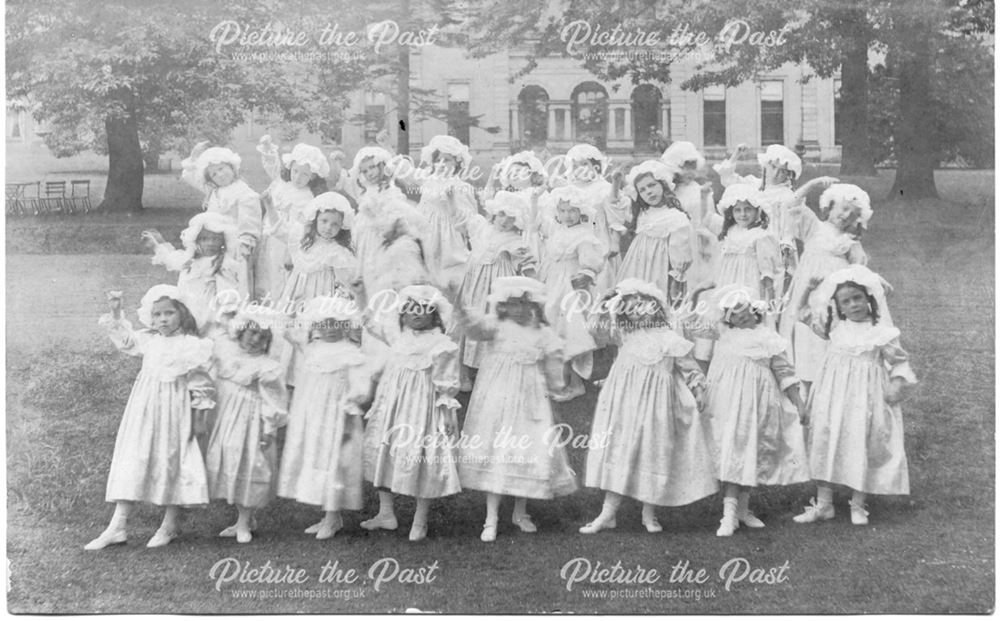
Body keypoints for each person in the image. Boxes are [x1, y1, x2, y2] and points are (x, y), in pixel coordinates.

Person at [580, 279, 717, 534]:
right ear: (624, 315)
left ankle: (649, 512)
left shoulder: (670, 338)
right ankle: (608, 513)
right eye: (631, 310)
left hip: (657, 407)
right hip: (624, 405)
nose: (638, 313)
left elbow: (689, 368)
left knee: (653, 454)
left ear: (657, 308)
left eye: (644, 307)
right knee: (621, 452)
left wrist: (698, 389)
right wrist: (604, 300)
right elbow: (594, 328)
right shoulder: (624, 335)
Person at [85, 286, 215, 550]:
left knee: (173, 458)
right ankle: (117, 525)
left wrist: (201, 417)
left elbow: (202, 382)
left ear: (183, 314)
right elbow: (127, 341)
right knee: (134, 456)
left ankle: (169, 524)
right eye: (157, 315)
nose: (163, 319)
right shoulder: (149, 339)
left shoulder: (193, 346)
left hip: (176, 408)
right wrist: (116, 312)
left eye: (169, 313)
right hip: (145, 407)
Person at [455, 277, 577, 542]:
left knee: (527, 449)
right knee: (497, 449)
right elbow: (474, 329)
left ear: (534, 305)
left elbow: (555, 365)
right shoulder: (495, 326)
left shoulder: (542, 333)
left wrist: (556, 388)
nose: (519, 309)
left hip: (530, 400)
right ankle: (491, 516)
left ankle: (520, 511)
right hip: (497, 399)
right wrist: (463, 310)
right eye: (512, 304)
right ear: (502, 306)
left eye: (524, 303)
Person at [793, 265, 915, 526]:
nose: (854, 305)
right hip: (832, 393)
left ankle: (858, 504)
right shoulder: (835, 327)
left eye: (858, 298)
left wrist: (895, 383)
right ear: (839, 306)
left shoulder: (882, 332)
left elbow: (900, 362)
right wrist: (807, 290)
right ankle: (824, 504)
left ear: (869, 299)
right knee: (826, 438)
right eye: (846, 301)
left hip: (865, 396)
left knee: (861, 440)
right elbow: (802, 314)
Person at [693, 285, 810, 536]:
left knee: (749, 450)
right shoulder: (723, 333)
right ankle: (729, 515)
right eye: (734, 313)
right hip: (725, 401)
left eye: (744, 308)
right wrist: (696, 293)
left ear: (754, 309)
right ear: (726, 318)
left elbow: (785, 373)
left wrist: (799, 403)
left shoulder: (768, 338)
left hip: (757, 402)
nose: (742, 315)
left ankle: (741, 511)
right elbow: (691, 324)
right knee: (732, 448)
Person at [359, 285, 462, 542]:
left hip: (422, 409)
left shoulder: (441, 344)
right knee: (384, 451)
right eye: (410, 309)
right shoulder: (398, 336)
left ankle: (420, 519)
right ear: (401, 314)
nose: (417, 314)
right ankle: (386, 513)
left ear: (435, 315)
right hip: (392, 405)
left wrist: (446, 413)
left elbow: (446, 382)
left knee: (422, 457)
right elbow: (371, 322)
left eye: (424, 310)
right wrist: (359, 292)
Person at [277, 296, 373, 539]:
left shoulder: (351, 353)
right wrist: (295, 307)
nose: (330, 328)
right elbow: (288, 330)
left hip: (338, 417)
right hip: (313, 415)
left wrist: (350, 408)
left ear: (345, 325)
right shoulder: (311, 347)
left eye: (336, 323)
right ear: (315, 325)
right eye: (324, 323)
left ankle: (332, 516)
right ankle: (329, 515)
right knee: (316, 459)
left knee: (335, 462)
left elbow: (361, 388)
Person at [204, 310, 289, 544]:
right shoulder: (227, 356)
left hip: (252, 423)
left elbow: (274, 401)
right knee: (229, 460)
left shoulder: (267, 367)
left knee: (250, 465)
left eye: (263, 337)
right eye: (252, 333)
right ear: (240, 332)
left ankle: (244, 522)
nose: (256, 341)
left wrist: (269, 428)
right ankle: (243, 519)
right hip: (227, 420)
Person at [454, 190, 537, 390]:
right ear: (494, 212)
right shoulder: (481, 227)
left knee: (490, 319)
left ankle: (486, 368)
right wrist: (450, 199)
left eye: (511, 218)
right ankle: (464, 370)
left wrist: (530, 280)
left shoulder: (514, 240)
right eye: (501, 214)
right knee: (470, 317)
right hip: (472, 281)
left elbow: (526, 263)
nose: (505, 221)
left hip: (495, 284)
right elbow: (458, 217)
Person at [181, 142, 263, 296]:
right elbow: (190, 176)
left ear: (232, 167)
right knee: (213, 278)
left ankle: (237, 309)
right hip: (215, 244)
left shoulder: (244, 193)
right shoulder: (214, 191)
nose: (220, 175)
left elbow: (250, 221)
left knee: (235, 280)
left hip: (236, 245)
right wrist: (194, 157)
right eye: (214, 174)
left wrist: (246, 242)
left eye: (221, 169)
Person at [256, 137, 331, 300]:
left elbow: (303, 225)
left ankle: (281, 304)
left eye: (304, 174)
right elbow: (272, 165)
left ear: (312, 177)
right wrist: (268, 148)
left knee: (283, 273)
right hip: (270, 236)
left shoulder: (309, 197)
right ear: (290, 167)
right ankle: (267, 302)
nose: (298, 177)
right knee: (267, 270)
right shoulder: (281, 183)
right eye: (295, 171)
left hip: (288, 240)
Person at [142, 212, 243, 328]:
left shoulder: (223, 263)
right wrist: (158, 244)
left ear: (223, 240)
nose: (210, 243)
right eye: (204, 239)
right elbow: (173, 259)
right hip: (187, 306)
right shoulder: (191, 258)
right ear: (196, 240)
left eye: (215, 239)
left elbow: (226, 291)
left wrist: (225, 314)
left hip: (208, 311)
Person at [614, 159, 693, 306]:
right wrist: (617, 181)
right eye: (642, 190)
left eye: (652, 185)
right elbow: (617, 204)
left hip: (660, 269)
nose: (648, 191)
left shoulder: (675, 217)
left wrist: (676, 276)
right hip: (636, 267)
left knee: (655, 303)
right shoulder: (643, 213)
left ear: (663, 185)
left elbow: (680, 251)